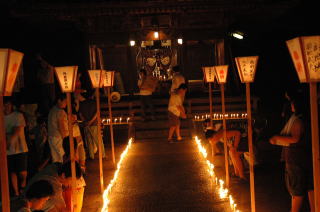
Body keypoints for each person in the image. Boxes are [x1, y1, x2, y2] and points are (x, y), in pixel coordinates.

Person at [270, 94, 314, 212]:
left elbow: (295, 138)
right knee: (311, 188)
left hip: (296, 159)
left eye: (292, 103)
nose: (291, 106)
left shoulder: (298, 120)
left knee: (297, 191)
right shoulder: (311, 116)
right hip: (308, 157)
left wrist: (276, 138)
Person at [4, 97, 29, 197]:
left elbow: (18, 130)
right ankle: (16, 193)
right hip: (8, 151)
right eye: (4, 105)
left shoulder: (18, 116)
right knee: (12, 171)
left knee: (23, 173)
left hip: (20, 149)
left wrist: (9, 141)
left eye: (8, 104)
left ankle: (22, 188)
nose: (6, 107)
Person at [79, 90, 105, 159]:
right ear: (92, 95)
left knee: (89, 141)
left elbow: (80, 114)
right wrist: (91, 121)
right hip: (94, 123)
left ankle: (91, 156)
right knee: (98, 140)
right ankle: (102, 155)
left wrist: (85, 121)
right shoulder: (94, 102)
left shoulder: (82, 103)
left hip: (86, 124)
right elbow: (97, 113)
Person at [48, 93, 69, 164]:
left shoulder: (52, 110)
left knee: (55, 158)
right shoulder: (60, 112)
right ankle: (64, 172)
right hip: (59, 137)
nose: (66, 104)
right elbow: (61, 126)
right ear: (59, 101)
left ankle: (58, 173)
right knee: (63, 156)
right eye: (65, 101)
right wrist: (66, 138)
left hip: (51, 137)